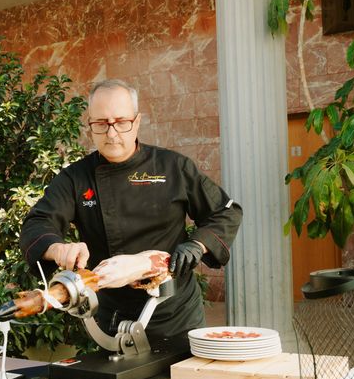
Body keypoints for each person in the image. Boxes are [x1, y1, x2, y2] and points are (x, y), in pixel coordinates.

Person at [20, 79, 242, 344]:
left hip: (176, 314)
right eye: (101, 123)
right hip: (111, 318)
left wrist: (198, 245)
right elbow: (37, 223)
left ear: (136, 122)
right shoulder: (75, 178)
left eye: (121, 122)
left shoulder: (173, 167)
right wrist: (58, 249)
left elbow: (226, 212)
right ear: (90, 125)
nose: (112, 133)